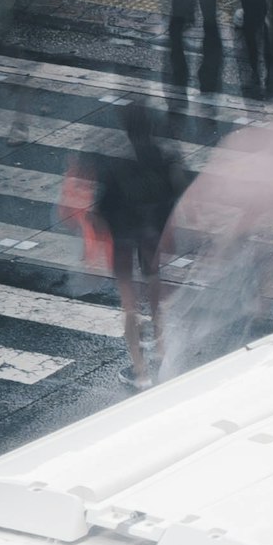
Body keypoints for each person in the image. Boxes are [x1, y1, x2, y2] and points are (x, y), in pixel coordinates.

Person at [85, 96, 188, 385]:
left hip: (123, 238)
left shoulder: (115, 164)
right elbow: (178, 194)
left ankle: (140, 371)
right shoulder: (165, 157)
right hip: (152, 234)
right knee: (155, 297)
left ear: (127, 130)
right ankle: (162, 353)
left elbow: (99, 209)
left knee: (129, 304)